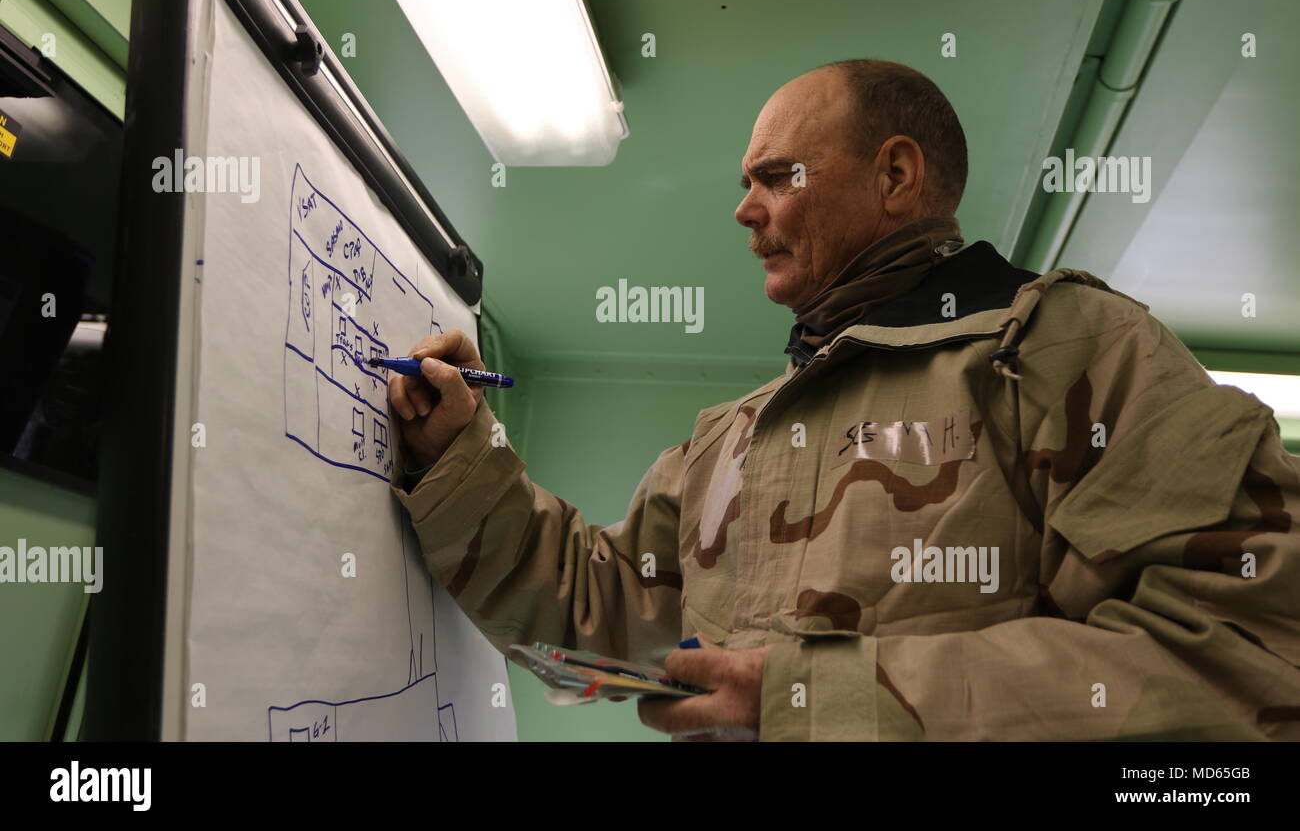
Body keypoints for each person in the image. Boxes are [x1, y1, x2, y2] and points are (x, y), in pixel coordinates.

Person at [387, 59, 1300, 741]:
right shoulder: (729, 440)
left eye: (777, 175)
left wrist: (809, 699)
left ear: (895, 177)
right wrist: (463, 454)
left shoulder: (1068, 346)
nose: (745, 210)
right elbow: (598, 615)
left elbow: (1247, 662)